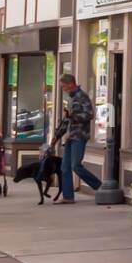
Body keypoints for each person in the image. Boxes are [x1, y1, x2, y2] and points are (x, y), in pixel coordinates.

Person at [49, 73, 100, 204]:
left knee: (75, 165)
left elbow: (89, 115)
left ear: (71, 84)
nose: (63, 89)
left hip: (79, 135)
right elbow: (66, 120)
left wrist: (73, 116)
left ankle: (100, 187)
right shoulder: (71, 99)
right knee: (65, 168)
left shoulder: (82, 97)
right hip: (70, 136)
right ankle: (68, 197)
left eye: (64, 86)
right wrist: (56, 136)